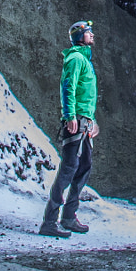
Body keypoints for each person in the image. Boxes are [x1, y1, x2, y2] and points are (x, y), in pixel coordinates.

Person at [40, 20, 98, 236]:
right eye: (88, 32)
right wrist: (69, 116)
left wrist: (91, 121)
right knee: (68, 169)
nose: (92, 35)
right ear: (79, 36)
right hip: (76, 121)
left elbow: (86, 96)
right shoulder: (75, 59)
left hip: (85, 121)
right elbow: (68, 87)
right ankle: (49, 221)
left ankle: (68, 217)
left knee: (84, 167)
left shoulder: (85, 60)